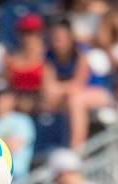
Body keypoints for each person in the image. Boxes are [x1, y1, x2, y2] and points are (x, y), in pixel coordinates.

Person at [43, 19, 113, 148]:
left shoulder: (82, 52)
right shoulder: (49, 56)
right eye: (54, 38)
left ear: (70, 38)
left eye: (60, 39)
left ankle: (77, 148)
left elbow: (78, 84)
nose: (57, 43)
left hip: (100, 93)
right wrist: (60, 90)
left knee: (76, 100)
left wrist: (59, 89)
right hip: (68, 96)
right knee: (48, 102)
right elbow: (48, 87)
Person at [5, 13, 46, 113]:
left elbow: (49, 89)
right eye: (24, 32)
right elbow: (7, 85)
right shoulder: (10, 59)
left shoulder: (47, 57)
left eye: (32, 32)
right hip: (16, 105)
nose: (28, 37)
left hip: (40, 104)